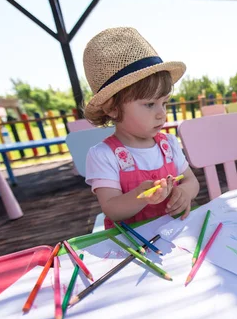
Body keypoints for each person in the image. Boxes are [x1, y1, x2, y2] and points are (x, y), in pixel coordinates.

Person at [82, 27, 199, 229]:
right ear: (112, 108)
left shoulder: (168, 144)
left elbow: (191, 181)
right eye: (149, 104)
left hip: (175, 236)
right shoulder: (103, 155)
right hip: (130, 245)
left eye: (164, 103)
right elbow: (111, 209)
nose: (161, 113)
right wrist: (140, 196)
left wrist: (185, 193)